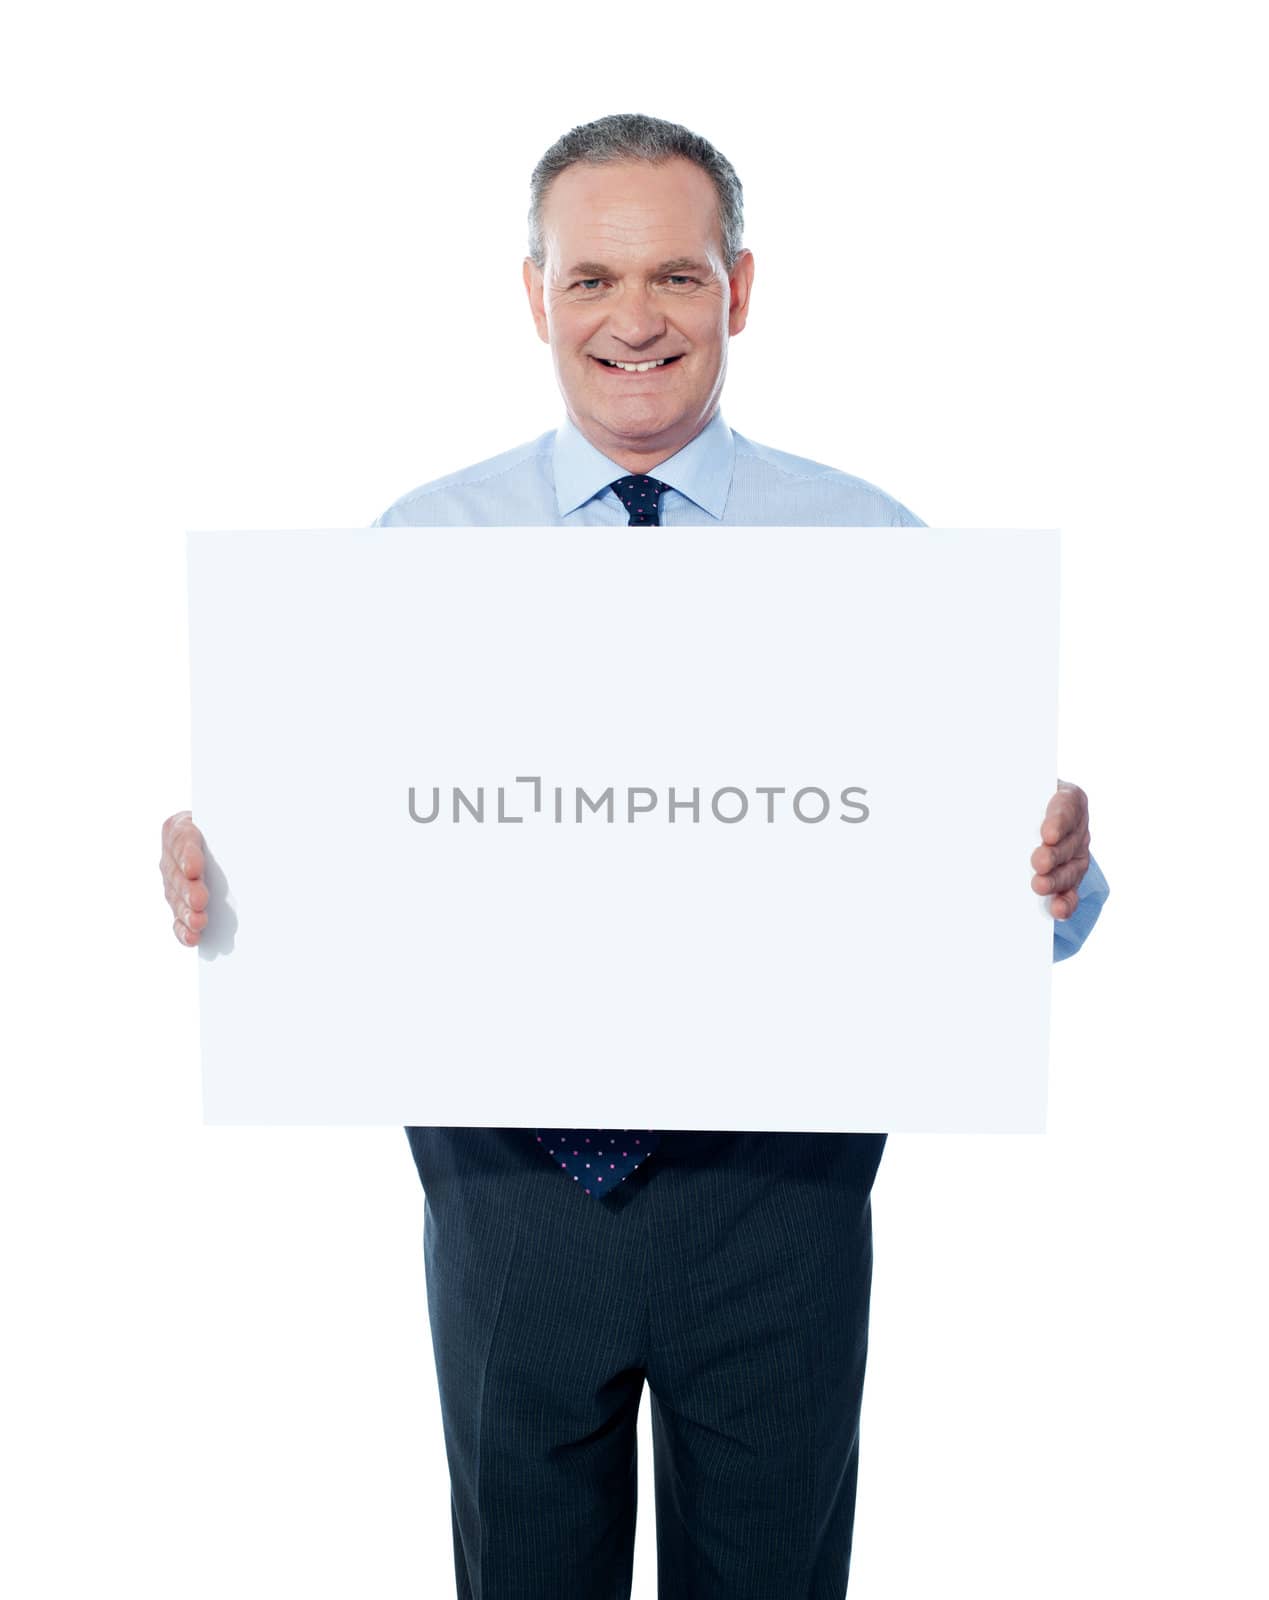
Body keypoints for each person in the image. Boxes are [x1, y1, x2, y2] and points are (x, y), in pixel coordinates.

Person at [160, 113, 1109, 1599]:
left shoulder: (873, 551)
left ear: (740, 287)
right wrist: (232, 888)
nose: (634, 319)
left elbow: (995, 902)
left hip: (781, 1193)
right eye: (591, 279)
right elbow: (339, 858)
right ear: (533, 297)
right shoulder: (416, 552)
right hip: (508, 1188)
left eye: (674, 274)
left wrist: (1049, 874)